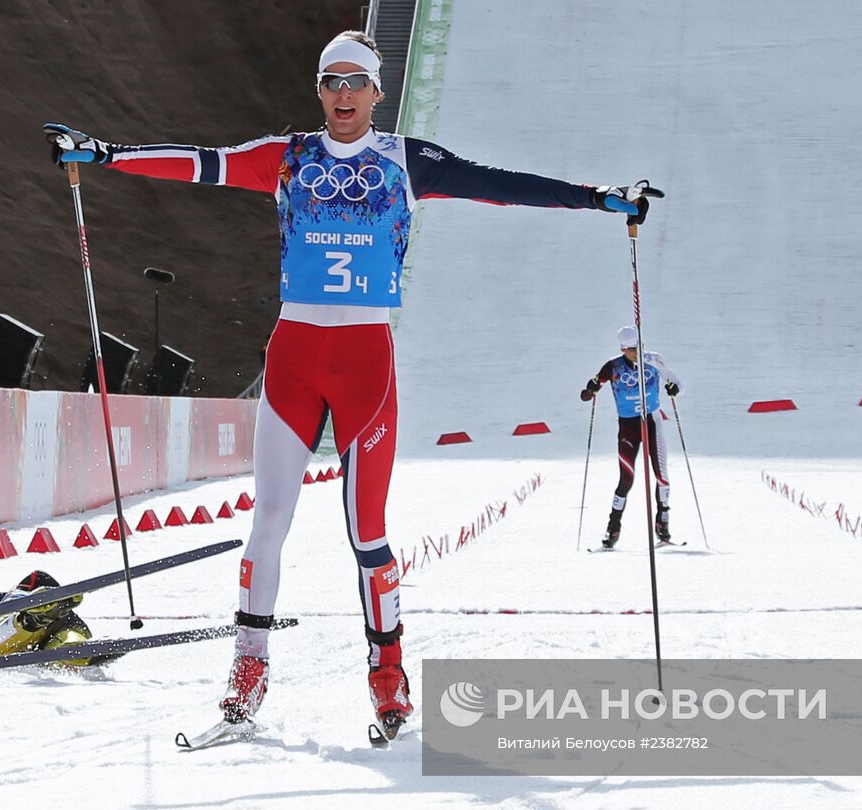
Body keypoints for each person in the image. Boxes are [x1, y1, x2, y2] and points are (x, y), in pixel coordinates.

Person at [45, 30, 661, 732]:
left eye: (355, 82)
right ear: (319, 91)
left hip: (366, 359)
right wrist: (104, 155)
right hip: (295, 357)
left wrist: (600, 198)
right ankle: (249, 666)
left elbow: (502, 186)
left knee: (368, 530)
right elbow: (201, 163)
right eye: (331, 81)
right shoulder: (288, 157)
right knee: (268, 520)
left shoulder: (407, 159)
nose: (343, 94)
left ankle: (388, 673)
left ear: (377, 91)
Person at [580, 325, 683, 548]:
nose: (638, 352)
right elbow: (591, 389)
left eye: (639, 346)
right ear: (623, 349)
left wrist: (674, 389)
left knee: (661, 474)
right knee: (626, 479)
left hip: (652, 421)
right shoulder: (613, 366)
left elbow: (677, 383)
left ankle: (663, 527)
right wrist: (590, 391)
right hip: (628, 427)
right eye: (632, 349)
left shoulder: (654, 360)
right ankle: (612, 530)